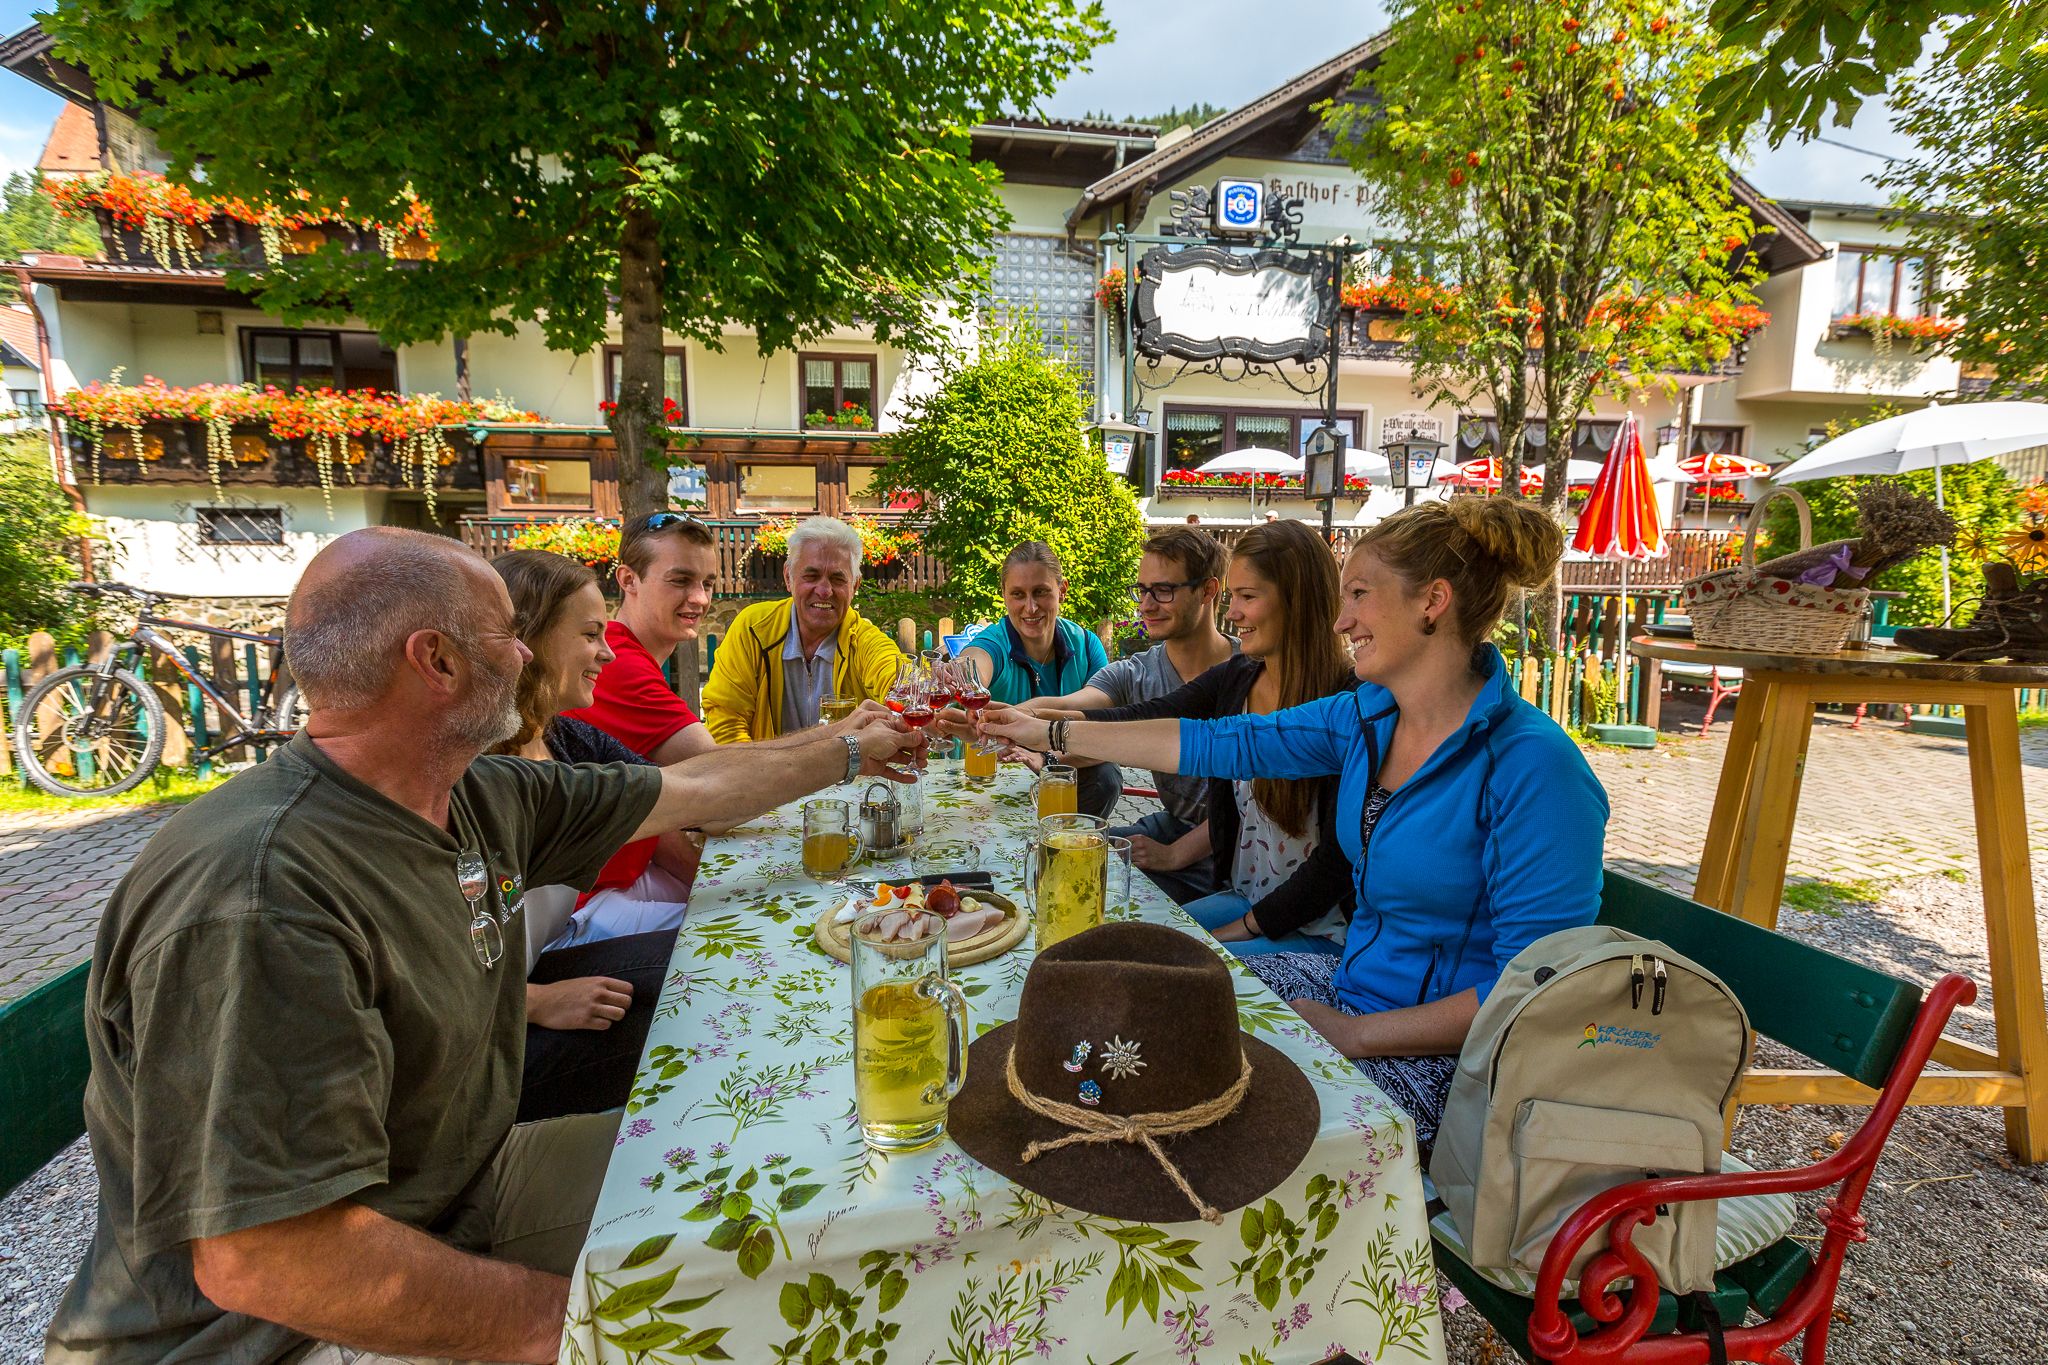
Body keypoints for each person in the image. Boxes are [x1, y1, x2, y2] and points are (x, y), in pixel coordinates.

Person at [46, 527, 921, 1365]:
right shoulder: (262, 895)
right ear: (436, 660)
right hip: (274, 1332)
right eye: (508, 632)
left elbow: (694, 785)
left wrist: (853, 746)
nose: (526, 654)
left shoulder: (470, 790)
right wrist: (588, 1320)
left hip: (460, 1184)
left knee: (797, 1165)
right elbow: (266, 1259)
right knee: (746, 1279)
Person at [977, 499, 1609, 1146]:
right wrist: (1049, 731)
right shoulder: (1367, 718)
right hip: (1349, 991)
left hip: (1453, 1066)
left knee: (1195, 1120)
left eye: (1360, 594)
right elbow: (1216, 740)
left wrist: (1357, 1033)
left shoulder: (1536, 769)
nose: (1342, 619)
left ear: (1433, 601)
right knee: (1136, 1004)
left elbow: (1531, 989)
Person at [1082, 520, 1358, 953]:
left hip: (1316, 929)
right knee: (1120, 943)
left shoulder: (1349, 700)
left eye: (1248, 597)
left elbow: (1335, 866)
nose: (1232, 613)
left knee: (1173, 975)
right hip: (1245, 899)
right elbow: (1151, 716)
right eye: (1233, 597)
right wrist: (1039, 728)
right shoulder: (1241, 675)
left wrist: (1241, 929)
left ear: (1298, 602)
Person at [1017, 527, 1236, 904]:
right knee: (1058, 861)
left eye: (1163, 590)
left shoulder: (1253, 674)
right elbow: (1074, 706)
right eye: (1142, 590)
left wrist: (1175, 854)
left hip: (1234, 853)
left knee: (1103, 898)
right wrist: (1003, 716)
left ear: (1208, 590)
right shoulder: (1136, 672)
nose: (1146, 605)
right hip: (1173, 828)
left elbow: (1251, 807)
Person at [496, 549, 699, 948]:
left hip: (557, 940)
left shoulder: (564, 735)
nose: (608, 652)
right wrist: (535, 1001)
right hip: (543, 963)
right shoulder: (474, 760)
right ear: (529, 637)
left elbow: (681, 786)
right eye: (591, 635)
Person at [701, 515, 903, 742]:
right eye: (811, 576)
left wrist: (925, 688)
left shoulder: (863, 639)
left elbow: (895, 677)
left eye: (838, 579)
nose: (824, 590)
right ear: (789, 577)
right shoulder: (753, 630)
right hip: (765, 775)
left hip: (851, 778)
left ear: (854, 586)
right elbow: (726, 728)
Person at [957, 541, 1117, 817]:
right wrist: (961, 673)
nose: (1030, 607)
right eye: (1018, 594)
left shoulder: (1086, 645)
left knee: (1106, 777)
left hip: (1062, 777)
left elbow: (1109, 735)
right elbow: (975, 661)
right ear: (1005, 596)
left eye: (1041, 592)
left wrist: (1046, 759)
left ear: (1062, 591)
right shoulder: (996, 641)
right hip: (997, 778)